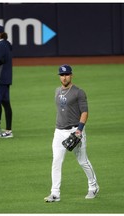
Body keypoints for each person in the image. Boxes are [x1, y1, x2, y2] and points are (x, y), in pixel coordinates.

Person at [44, 64, 99, 202]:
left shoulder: (79, 92)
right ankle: (55, 193)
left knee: (82, 161)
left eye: (67, 74)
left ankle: (93, 186)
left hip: (75, 131)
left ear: (71, 75)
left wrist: (79, 130)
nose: (64, 77)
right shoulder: (57, 91)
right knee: (56, 161)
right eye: (62, 75)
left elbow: (85, 112)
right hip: (59, 131)